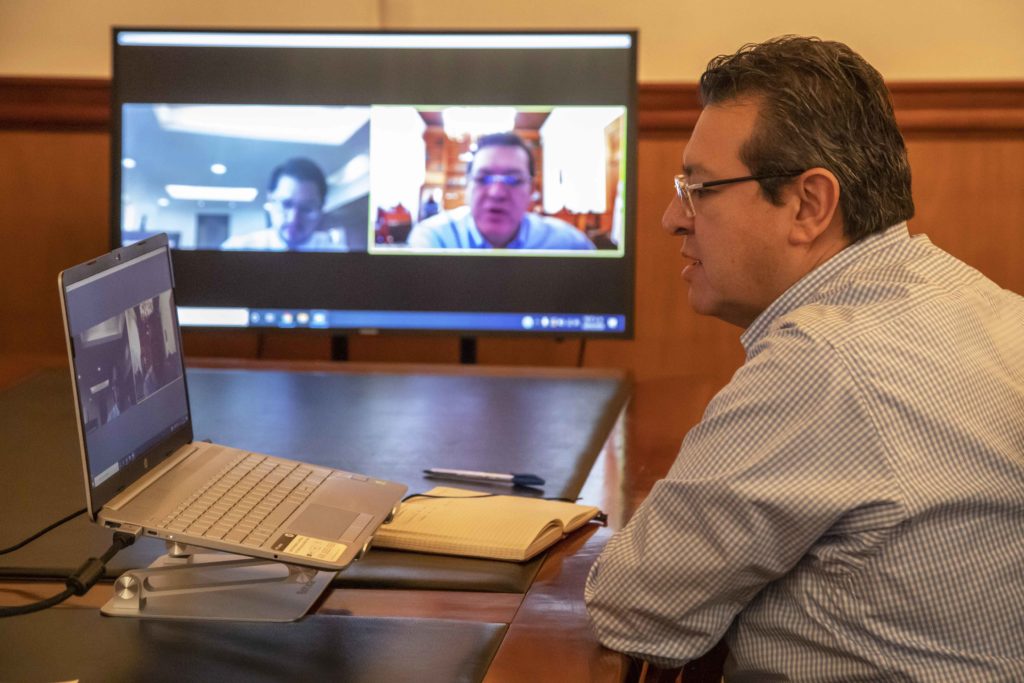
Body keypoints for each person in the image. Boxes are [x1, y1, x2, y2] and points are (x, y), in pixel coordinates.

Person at [584, 36, 1024, 680]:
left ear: (809, 205)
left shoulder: (826, 360)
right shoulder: (991, 307)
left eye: (698, 188)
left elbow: (635, 610)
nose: (672, 217)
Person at [406, 132, 595, 250]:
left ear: (531, 190)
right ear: (468, 187)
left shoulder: (569, 244)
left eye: (513, 180)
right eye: (483, 178)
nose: (497, 193)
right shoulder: (434, 239)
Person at [221, 157, 348, 251]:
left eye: (306, 208)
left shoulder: (339, 256)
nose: (294, 219)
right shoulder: (237, 248)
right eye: (286, 204)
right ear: (270, 200)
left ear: (321, 208)